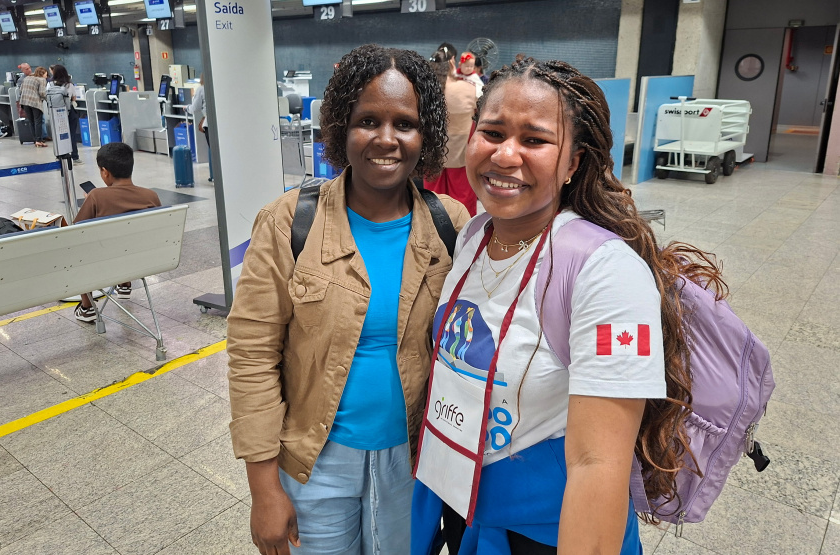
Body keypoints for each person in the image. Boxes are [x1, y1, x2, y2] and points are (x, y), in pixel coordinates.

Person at [411, 58, 724, 555]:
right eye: (492, 132)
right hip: (461, 502)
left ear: (574, 162)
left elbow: (596, 465)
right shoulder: (473, 233)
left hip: (543, 533)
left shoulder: (605, 272)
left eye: (534, 140)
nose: (505, 155)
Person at [226, 44, 469, 555]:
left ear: (426, 136)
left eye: (405, 123)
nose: (386, 139)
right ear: (340, 127)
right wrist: (263, 490)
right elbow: (252, 355)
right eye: (367, 121)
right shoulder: (289, 223)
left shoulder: (451, 225)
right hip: (315, 464)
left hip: (413, 461)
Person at [72, 143, 161, 323]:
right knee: (128, 241)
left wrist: (89, 200)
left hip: (107, 264)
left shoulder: (97, 195)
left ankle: (87, 307)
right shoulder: (151, 196)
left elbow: (76, 232)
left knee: (78, 251)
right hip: (145, 261)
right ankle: (125, 285)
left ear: (105, 172)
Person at [423, 48, 479, 216]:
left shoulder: (425, 89)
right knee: (462, 195)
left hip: (432, 151)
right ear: (453, 62)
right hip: (460, 150)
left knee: (432, 197)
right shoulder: (468, 88)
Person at [48, 65, 83, 164]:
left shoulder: (50, 84)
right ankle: (75, 157)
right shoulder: (69, 85)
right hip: (69, 111)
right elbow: (74, 98)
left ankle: (59, 156)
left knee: (58, 135)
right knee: (71, 134)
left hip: (56, 112)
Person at [19, 67, 48, 147]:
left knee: (31, 121)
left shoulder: (27, 78)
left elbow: (20, 89)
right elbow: (42, 93)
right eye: (46, 74)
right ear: (42, 74)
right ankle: (39, 140)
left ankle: (35, 139)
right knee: (38, 121)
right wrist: (48, 100)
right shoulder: (41, 80)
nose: (46, 76)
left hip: (25, 102)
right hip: (35, 103)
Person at [186, 73, 209, 147]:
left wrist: (187, 108)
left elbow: (195, 108)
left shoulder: (201, 89)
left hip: (208, 123)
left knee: (213, 147)